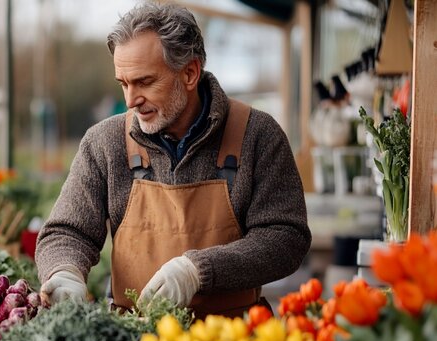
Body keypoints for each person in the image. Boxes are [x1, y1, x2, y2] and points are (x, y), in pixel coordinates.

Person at [36, 2, 311, 318]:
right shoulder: (105, 143)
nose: (130, 100)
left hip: (232, 340)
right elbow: (67, 231)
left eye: (145, 81)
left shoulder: (256, 135)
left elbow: (285, 237)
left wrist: (198, 270)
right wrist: (64, 271)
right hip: (135, 340)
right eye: (123, 83)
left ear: (190, 73)